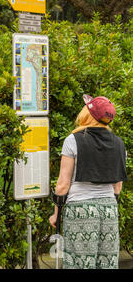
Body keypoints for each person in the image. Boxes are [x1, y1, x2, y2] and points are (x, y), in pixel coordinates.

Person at [49, 95, 127, 269]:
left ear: (88, 114)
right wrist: (107, 206)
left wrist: (56, 214)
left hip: (80, 210)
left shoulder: (73, 140)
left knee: (80, 263)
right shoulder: (119, 144)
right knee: (107, 264)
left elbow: (62, 184)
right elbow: (118, 185)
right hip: (109, 210)